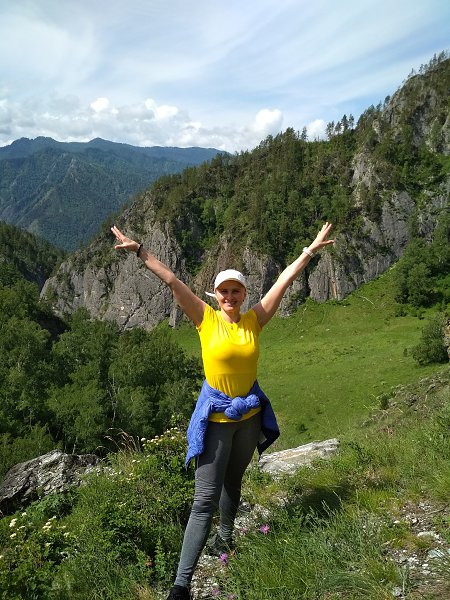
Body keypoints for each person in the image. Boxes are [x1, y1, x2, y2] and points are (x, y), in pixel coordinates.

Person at [111, 222, 334, 600]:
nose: (229, 296)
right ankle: (181, 585)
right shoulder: (205, 318)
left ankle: (225, 539)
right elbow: (172, 280)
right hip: (215, 421)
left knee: (234, 481)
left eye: (236, 290)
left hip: (248, 419)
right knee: (203, 501)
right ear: (215, 295)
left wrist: (310, 251)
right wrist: (139, 251)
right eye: (224, 291)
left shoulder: (254, 320)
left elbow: (285, 279)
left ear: (244, 294)